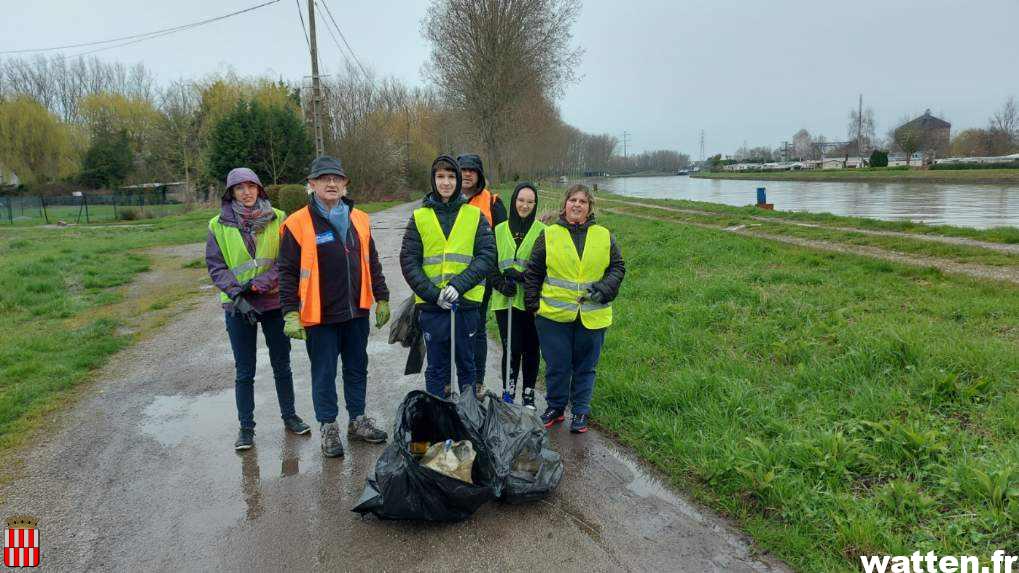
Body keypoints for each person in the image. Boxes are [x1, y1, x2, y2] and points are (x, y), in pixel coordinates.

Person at [278, 156, 391, 458]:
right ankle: (328, 426)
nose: (331, 183)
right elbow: (287, 272)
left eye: (336, 179)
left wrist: (382, 297)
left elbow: (373, 262)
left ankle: (357, 421)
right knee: (324, 373)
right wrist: (290, 311)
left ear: (344, 184)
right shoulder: (296, 223)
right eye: (323, 178)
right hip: (320, 315)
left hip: (356, 312)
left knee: (357, 368)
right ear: (311, 184)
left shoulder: (360, 219)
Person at [206, 167, 311, 451]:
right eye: (240, 188)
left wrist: (257, 286)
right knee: (245, 370)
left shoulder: (278, 218)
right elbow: (216, 266)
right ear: (231, 193)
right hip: (238, 307)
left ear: (259, 189)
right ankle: (246, 428)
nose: (247, 192)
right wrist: (238, 295)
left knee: (282, 365)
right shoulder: (218, 225)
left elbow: (287, 260)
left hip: (274, 302)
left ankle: (290, 417)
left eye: (251, 186)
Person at [523, 185, 625, 434]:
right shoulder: (549, 234)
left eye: (582, 201)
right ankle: (556, 407)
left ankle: (580, 410)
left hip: (593, 314)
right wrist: (533, 305)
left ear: (590, 207)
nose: (577, 205)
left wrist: (605, 288)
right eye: (572, 200)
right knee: (558, 365)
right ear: (565, 204)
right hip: (553, 316)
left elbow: (618, 268)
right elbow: (533, 272)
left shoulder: (604, 235)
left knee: (585, 366)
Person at [400, 155, 496, 398]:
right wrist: (433, 294)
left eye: (451, 177)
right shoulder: (419, 217)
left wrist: (459, 285)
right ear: (433, 180)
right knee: (436, 368)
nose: (446, 182)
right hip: (433, 307)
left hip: (465, 305)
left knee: (466, 365)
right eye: (440, 177)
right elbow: (409, 261)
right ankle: (439, 423)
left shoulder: (474, 216)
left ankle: (467, 417)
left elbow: (487, 255)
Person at [489, 182, 544, 409]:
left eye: (530, 202)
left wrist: (522, 276)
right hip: (506, 301)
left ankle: (529, 394)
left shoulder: (543, 231)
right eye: (521, 200)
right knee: (511, 347)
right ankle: (508, 391)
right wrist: (501, 284)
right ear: (514, 201)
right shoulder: (499, 229)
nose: (525, 205)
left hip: (531, 300)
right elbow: (490, 263)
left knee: (532, 348)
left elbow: (544, 267)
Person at [457, 154, 506, 395]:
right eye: (462, 169)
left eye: (471, 170)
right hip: (451, 278)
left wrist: (497, 276)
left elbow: (503, 241)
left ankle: (477, 382)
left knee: (476, 329)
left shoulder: (493, 202)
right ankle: (453, 384)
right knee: (452, 329)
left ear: (479, 174)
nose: (466, 174)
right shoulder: (446, 200)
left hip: (481, 278)